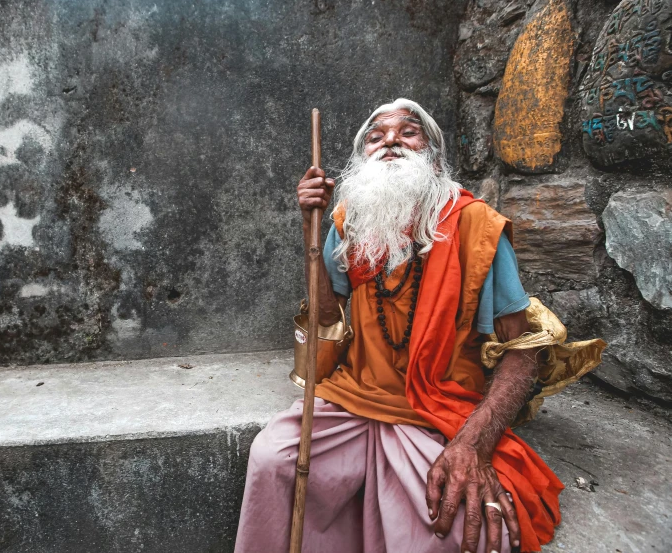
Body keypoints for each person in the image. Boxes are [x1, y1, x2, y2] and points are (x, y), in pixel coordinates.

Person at [235, 98, 562, 553]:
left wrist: (474, 443)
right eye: (375, 136)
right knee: (273, 460)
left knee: (456, 527)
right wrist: (310, 230)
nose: (389, 140)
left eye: (408, 132)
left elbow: (524, 350)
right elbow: (328, 320)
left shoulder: (475, 225)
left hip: (439, 411)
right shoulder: (347, 222)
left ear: (435, 157)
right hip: (353, 395)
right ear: (360, 160)